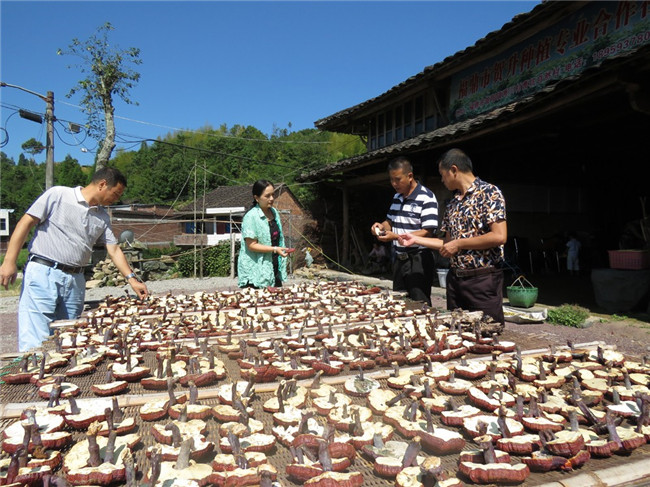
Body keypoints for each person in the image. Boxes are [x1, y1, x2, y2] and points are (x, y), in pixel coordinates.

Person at [0, 167, 149, 352]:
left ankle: (61, 379)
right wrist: (9, 261)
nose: (116, 199)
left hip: (76, 280)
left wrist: (132, 280)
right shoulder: (59, 195)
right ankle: (33, 376)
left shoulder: (102, 216)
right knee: (36, 340)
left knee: (69, 336)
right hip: (43, 272)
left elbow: (114, 249)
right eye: (116, 194)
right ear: (102, 185)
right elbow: (26, 222)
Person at [399, 148, 507, 326]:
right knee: (457, 334)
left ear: (454, 170)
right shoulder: (453, 204)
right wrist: (415, 239)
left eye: (443, 174)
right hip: (456, 281)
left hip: (482, 280)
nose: (442, 180)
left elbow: (499, 236)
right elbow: (448, 242)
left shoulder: (490, 193)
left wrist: (459, 244)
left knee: (488, 332)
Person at [371, 156, 438, 305]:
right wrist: (380, 226)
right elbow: (390, 221)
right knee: (399, 302)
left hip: (418, 259)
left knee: (419, 304)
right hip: (399, 259)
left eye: (397, 179)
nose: (394, 184)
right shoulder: (397, 197)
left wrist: (395, 237)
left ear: (410, 176)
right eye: (391, 180)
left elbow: (428, 231)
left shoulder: (426, 197)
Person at [238, 180, 291, 288]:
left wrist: (281, 249)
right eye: (267, 196)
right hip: (256, 272)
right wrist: (275, 249)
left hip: (273, 267)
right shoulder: (251, 217)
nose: (271, 198)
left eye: (273, 194)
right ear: (256, 198)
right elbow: (251, 245)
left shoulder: (274, 213)